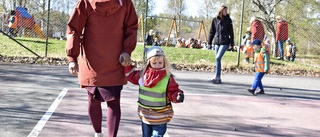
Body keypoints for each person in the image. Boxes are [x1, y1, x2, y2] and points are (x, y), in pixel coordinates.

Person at [65, 0, 138, 137]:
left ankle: (98, 134)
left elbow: (73, 29)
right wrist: (126, 50)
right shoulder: (125, 2)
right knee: (113, 102)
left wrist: (72, 57)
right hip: (115, 60)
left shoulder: (86, 2)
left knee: (93, 100)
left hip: (91, 62)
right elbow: (132, 27)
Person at [124, 46, 184, 137]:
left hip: (161, 116)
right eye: (154, 63)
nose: (157, 65)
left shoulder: (168, 78)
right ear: (149, 63)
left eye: (160, 62)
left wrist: (177, 96)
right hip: (145, 115)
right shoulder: (142, 76)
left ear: (164, 62)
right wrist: (127, 65)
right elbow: (131, 75)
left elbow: (173, 91)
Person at [207, 5, 234, 84]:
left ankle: (217, 77)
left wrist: (232, 43)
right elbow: (211, 32)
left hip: (225, 42)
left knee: (218, 58)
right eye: (225, 10)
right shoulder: (215, 20)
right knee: (217, 59)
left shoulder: (228, 20)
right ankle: (217, 76)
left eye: (227, 10)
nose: (226, 12)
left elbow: (231, 32)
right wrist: (209, 42)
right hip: (217, 41)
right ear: (221, 11)